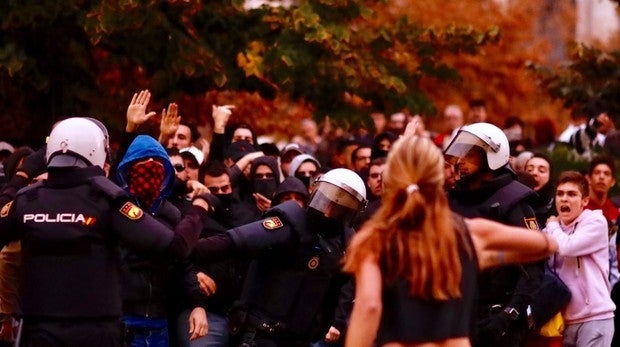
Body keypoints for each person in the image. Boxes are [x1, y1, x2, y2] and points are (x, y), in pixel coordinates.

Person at [0, 117, 210, 346]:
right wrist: (197, 210)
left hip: (37, 331)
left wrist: (20, 177)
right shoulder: (107, 200)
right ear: (96, 151)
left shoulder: (28, 199)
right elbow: (175, 246)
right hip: (94, 330)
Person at [342, 135, 558, 347]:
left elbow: (369, 307)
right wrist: (488, 257)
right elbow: (545, 245)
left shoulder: (373, 239)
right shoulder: (467, 233)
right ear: (439, 178)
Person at [192, 168, 367, 346]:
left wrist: (336, 324)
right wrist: (188, 259)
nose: (328, 210)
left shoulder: (342, 245)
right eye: (327, 199)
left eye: (340, 207)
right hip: (259, 336)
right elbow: (230, 242)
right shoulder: (289, 225)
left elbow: (345, 289)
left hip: (299, 339)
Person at [444, 122, 543, 346]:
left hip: (498, 323)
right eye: (459, 155)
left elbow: (534, 269)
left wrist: (508, 316)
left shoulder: (513, 201)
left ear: (492, 156)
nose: (460, 162)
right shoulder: (452, 201)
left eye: (469, 155)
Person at [544, 171, 616, 346]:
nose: (564, 199)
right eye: (560, 194)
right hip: (563, 321)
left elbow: (568, 247)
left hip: (595, 318)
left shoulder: (596, 222)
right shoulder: (551, 231)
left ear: (584, 201)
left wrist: (552, 224)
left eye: (571, 194)